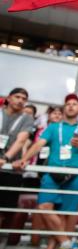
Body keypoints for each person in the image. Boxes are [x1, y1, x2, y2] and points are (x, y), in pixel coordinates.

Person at [14, 93, 78, 249]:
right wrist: (24, 159)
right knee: (44, 206)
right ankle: (66, 242)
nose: (71, 106)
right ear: (64, 108)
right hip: (52, 173)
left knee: (65, 214)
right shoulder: (52, 127)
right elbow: (39, 144)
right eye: (68, 104)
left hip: (75, 175)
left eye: (74, 104)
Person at [0, 87, 35, 234]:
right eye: (17, 97)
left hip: (10, 170)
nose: (20, 101)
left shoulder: (26, 118)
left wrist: (5, 157)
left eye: (24, 99)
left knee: (3, 209)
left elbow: (21, 140)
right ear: (9, 98)